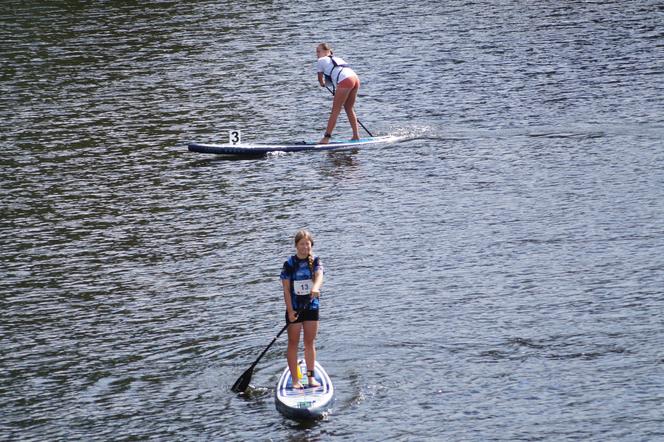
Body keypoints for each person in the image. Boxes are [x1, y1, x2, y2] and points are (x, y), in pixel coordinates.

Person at [280, 230, 324, 389]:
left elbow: (319, 276)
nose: (305, 247)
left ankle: (311, 377)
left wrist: (316, 287)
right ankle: (295, 380)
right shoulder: (290, 264)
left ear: (311, 245)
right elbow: (286, 290)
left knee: (309, 342)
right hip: (295, 308)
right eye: (301, 244)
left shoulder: (316, 261)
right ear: (296, 246)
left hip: (311, 307)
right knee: (293, 342)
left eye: (307, 244)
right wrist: (290, 311)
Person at [316, 43, 361, 144]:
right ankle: (356, 136)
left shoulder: (320, 61)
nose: (317, 54)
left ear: (327, 51)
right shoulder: (337, 58)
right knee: (349, 108)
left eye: (319, 51)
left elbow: (320, 79)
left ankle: (326, 138)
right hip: (355, 78)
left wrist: (322, 84)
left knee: (335, 110)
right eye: (316, 52)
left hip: (345, 80)